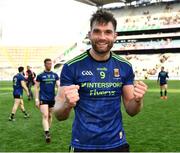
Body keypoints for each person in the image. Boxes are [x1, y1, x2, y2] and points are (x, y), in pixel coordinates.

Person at [54, 9, 148, 152]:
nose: (102, 37)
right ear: (89, 34)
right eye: (97, 31)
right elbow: (59, 115)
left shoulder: (124, 66)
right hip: (82, 145)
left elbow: (131, 110)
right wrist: (67, 104)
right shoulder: (71, 66)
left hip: (117, 144)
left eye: (108, 32)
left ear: (115, 36)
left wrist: (138, 100)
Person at [34, 58, 60, 143]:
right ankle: (47, 133)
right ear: (44, 64)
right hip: (43, 99)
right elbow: (36, 87)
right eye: (48, 63)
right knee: (45, 115)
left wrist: (58, 96)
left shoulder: (55, 75)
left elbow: (59, 86)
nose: (49, 65)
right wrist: (37, 99)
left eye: (50, 63)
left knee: (50, 116)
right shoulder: (40, 75)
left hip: (52, 99)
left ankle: (47, 129)